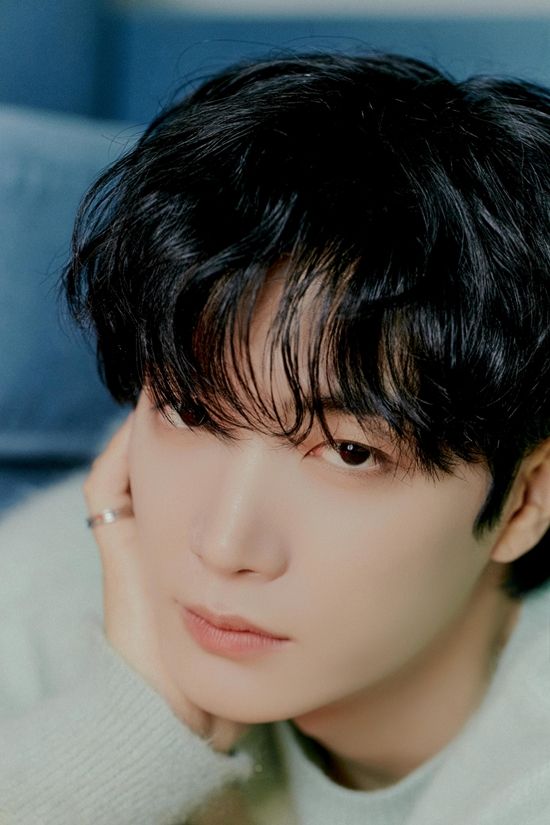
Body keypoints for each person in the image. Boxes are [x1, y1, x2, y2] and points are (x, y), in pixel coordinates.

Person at [0, 50, 549, 824]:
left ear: (525, 498)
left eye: (351, 452)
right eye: (192, 410)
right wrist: (130, 728)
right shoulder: (50, 588)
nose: (224, 545)